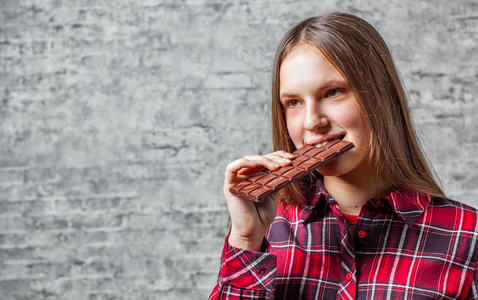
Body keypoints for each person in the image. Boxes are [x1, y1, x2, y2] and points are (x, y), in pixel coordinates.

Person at [209, 12, 478, 299]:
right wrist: (247, 239)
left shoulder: (467, 236)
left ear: (379, 95)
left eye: (333, 92)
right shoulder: (266, 231)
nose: (312, 121)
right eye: (294, 102)